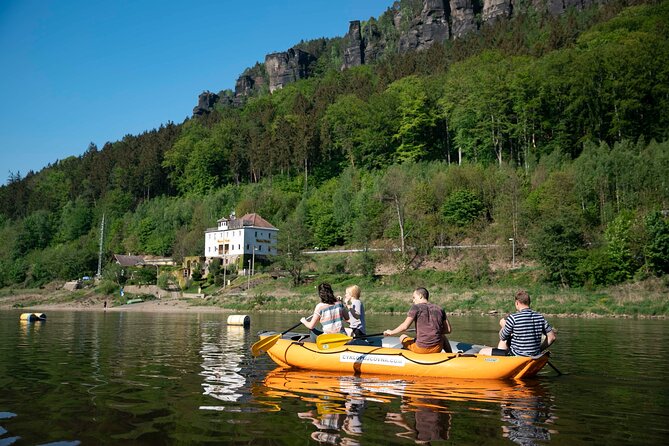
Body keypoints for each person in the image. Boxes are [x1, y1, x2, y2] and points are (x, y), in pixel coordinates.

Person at [479, 290, 556, 357]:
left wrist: (503, 326)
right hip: (535, 355)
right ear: (529, 302)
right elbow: (552, 337)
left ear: (517, 303)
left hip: (517, 356)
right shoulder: (540, 317)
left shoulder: (513, 318)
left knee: (482, 351)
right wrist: (539, 349)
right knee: (510, 338)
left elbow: (502, 337)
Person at [383, 287, 452, 354]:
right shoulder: (439, 309)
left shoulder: (416, 307)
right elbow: (448, 330)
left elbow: (404, 327)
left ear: (421, 296)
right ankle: (451, 355)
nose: (413, 300)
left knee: (402, 337)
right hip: (437, 348)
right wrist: (433, 331)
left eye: (414, 297)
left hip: (422, 349)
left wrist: (391, 332)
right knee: (442, 336)